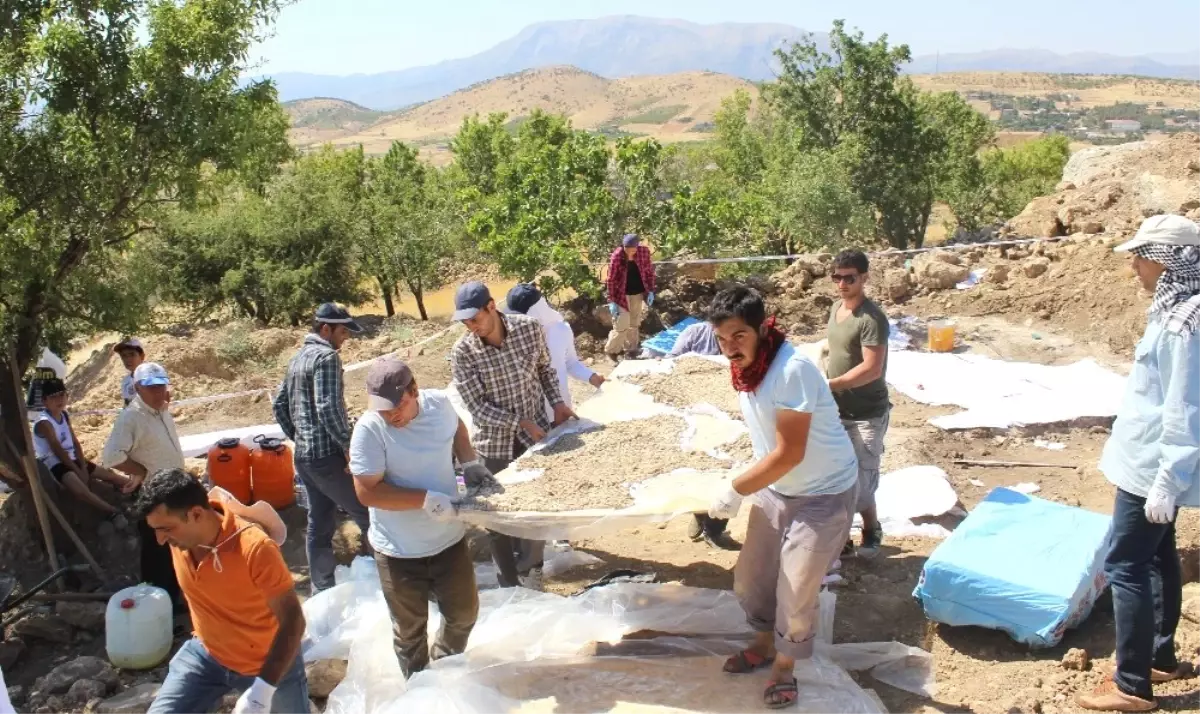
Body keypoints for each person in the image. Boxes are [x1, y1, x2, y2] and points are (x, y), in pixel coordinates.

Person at [706, 286, 858, 710]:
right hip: (779, 488)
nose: (729, 348)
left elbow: (790, 452)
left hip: (824, 493)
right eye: (721, 339)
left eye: (738, 336)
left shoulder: (791, 370)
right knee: (751, 578)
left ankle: (784, 666)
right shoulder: (748, 370)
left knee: (796, 587)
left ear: (761, 327)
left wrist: (736, 488)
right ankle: (762, 643)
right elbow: (768, 439)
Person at [1076, 214, 1200, 713]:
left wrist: (1168, 479)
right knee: (1156, 554)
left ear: (1166, 261)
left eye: (1140, 256)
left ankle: (1131, 684)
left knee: (1125, 563)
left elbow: (1184, 407)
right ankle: (1160, 657)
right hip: (1146, 460)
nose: (1133, 266)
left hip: (1151, 467)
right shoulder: (1173, 309)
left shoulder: (1183, 324)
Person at [349, 358, 489, 677]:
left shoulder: (439, 406)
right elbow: (367, 492)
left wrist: (469, 463)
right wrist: (424, 500)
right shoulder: (370, 429)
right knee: (410, 633)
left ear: (414, 391)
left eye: (397, 406)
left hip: (447, 541)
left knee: (463, 615)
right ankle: (417, 690)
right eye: (383, 409)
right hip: (398, 551)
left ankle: (440, 674)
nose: (390, 415)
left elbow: (457, 428)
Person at [139, 469, 308, 714]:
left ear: (196, 514)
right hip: (207, 655)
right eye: (155, 529)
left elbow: (293, 620)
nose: (160, 540)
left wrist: (263, 691)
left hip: (268, 664)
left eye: (166, 529)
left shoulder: (255, 549)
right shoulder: (181, 539)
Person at [450, 281, 574, 589]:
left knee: (536, 510)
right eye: (464, 321)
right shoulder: (464, 352)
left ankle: (531, 572)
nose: (470, 326)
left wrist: (557, 404)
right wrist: (518, 422)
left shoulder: (529, 329)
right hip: (495, 444)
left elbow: (545, 371)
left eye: (474, 318)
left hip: (536, 438)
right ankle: (508, 583)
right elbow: (477, 407)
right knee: (499, 520)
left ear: (491, 306)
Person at [272, 303, 371, 594]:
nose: (346, 338)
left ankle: (323, 589)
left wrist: (299, 436)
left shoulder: (297, 358)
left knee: (320, 521)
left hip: (304, 457)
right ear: (325, 329)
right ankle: (384, 582)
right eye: (342, 331)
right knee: (368, 512)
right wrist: (349, 446)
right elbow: (328, 407)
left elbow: (279, 405)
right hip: (327, 457)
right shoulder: (326, 357)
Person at [101, 362, 186, 608]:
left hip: (172, 489)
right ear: (138, 388)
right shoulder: (132, 417)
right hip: (153, 493)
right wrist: (139, 470)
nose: (158, 392)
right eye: (152, 388)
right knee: (157, 551)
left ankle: (173, 599)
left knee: (173, 547)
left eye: (161, 387)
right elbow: (111, 456)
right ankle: (159, 606)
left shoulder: (160, 409)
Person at [824, 249, 891, 560]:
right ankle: (847, 534)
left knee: (863, 478)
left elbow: (871, 368)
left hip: (866, 413)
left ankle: (870, 529)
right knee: (839, 475)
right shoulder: (837, 310)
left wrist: (831, 385)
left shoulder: (872, 319)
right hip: (838, 410)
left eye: (848, 278)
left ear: (864, 277)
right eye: (836, 277)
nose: (841, 284)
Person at [661, 320, 738, 550]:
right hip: (695, 414)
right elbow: (671, 361)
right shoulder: (693, 332)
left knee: (726, 471)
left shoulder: (739, 336)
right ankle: (701, 514)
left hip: (727, 413)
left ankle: (714, 528)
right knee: (700, 467)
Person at [32, 378, 134, 514]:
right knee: (81, 490)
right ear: (45, 401)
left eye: (62, 395)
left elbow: (74, 442)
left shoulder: (64, 414)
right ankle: (113, 511)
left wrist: (83, 466)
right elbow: (57, 450)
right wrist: (78, 470)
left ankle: (141, 489)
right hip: (54, 463)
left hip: (70, 458)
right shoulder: (44, 423)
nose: (59, 400)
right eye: (53, 397)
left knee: (110, 476)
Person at [504, 283, 605, 418]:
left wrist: (591, 377)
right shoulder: (508, 339)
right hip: (532, 420)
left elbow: (570, 362)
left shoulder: (561, 329)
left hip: (562, 410)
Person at [605, 234, 656, 360]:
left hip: (637, 293)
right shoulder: (617, 255)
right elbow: (610, 279)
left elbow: (649, 272)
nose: (630, 253)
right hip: (620, 294)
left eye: (632, 250)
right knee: (621, 324)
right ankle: (612, 351)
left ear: (637, 247)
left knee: (634, 323)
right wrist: (611, 300)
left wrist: (650, 290)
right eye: (627, 249)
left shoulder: (644, 252)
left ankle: (631, 351)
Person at [115, 338, 146, 406]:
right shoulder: (125, 381)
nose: (128, 359)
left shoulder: (150, 375)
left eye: (132, 354)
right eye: (124, 356)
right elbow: (127, 405)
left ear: (142, 356)